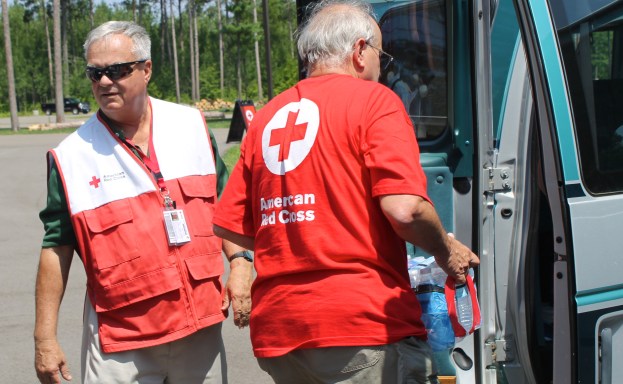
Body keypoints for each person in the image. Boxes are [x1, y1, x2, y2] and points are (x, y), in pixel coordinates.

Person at [212, 1, 479, 383]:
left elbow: (236, 228)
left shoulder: (269, 116)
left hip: (281, 336)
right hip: (360, 330)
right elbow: (405, 210)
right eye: (381, 56)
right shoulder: (376, 102)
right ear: (358, 51)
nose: (382, 68)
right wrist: (446, 251)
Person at [34, 21, 253, 384]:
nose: (104, 82)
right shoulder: (71, 157)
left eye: (116, 71)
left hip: (200, 331)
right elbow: (56, 248)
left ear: (147, 69)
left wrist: (241, 263)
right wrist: (45, 337)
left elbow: (226, 208)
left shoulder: (192, 127)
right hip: (122, 344)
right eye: (95, 73)